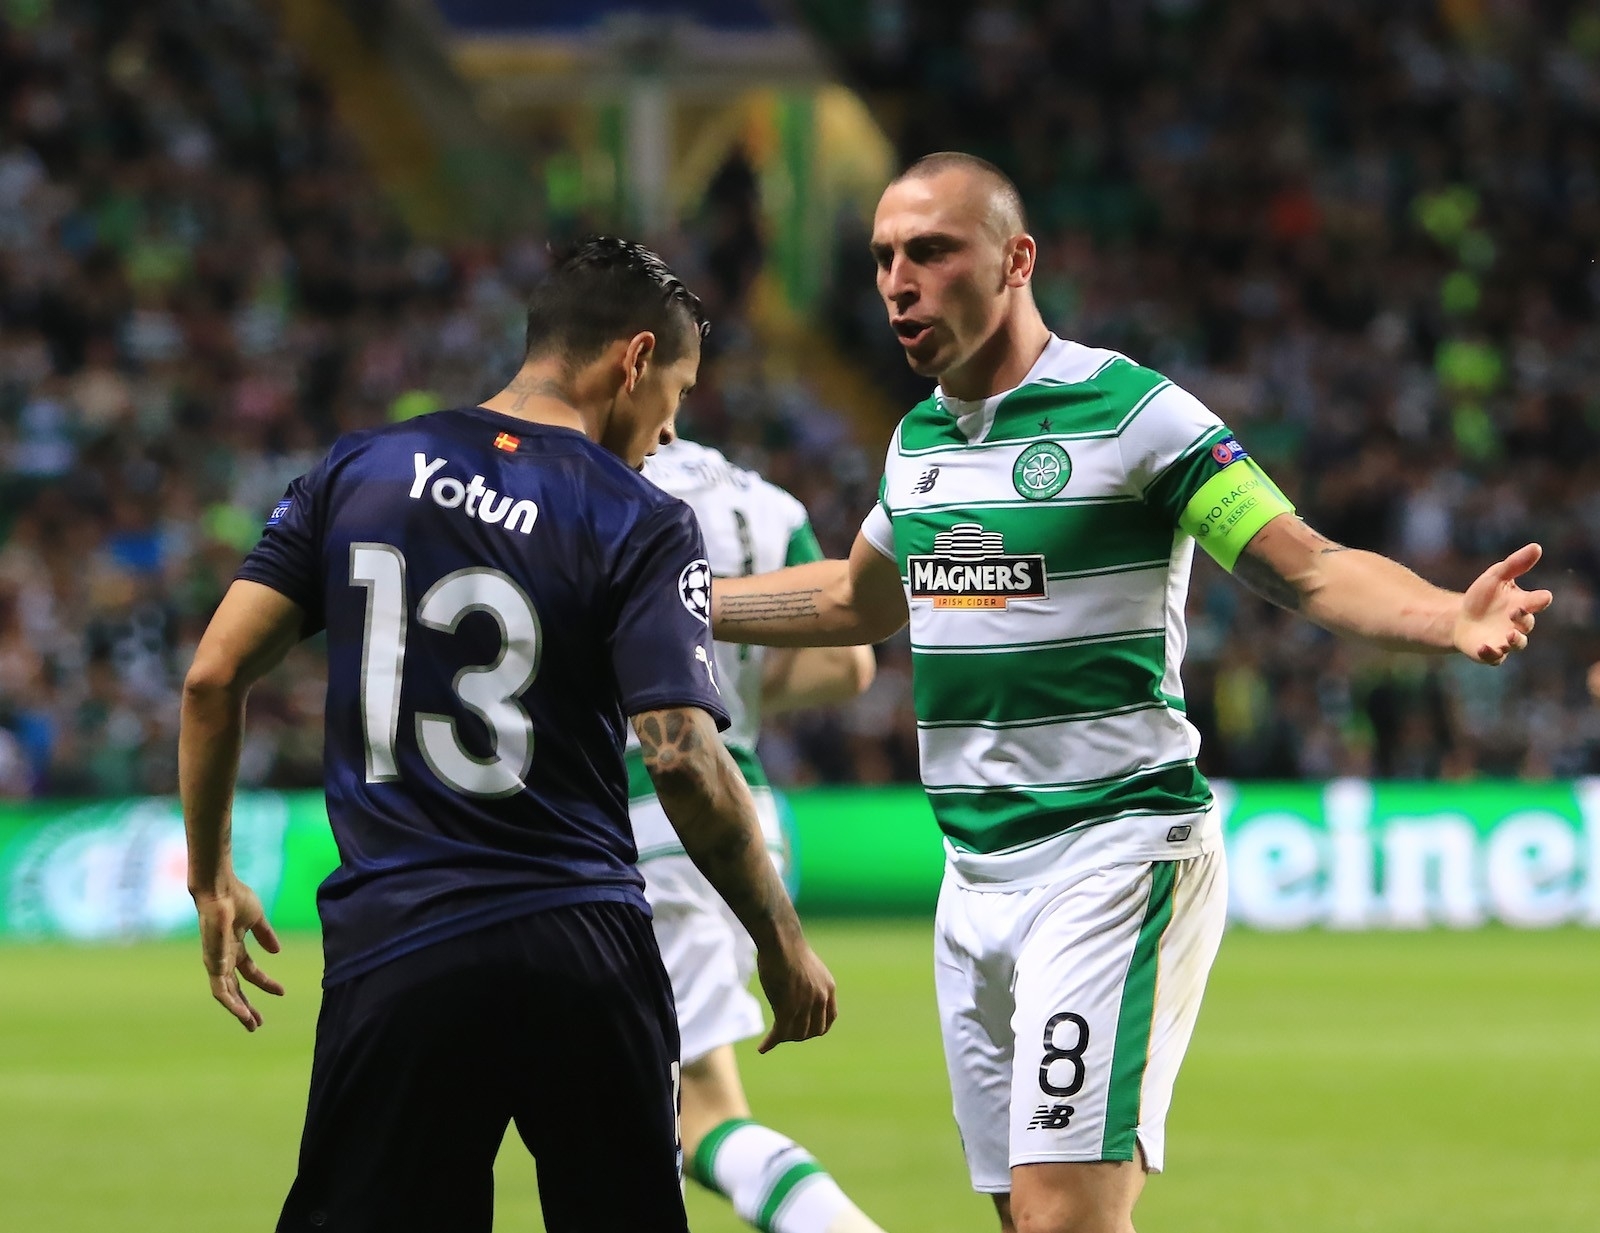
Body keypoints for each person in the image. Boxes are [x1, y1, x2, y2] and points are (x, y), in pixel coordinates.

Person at [709, 153, 1553, 1233]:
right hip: (973, 880)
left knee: (1066, 1217)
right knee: (1028, 1218)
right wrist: (672, 602)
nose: (896, 282)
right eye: (882, 258)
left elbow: (1303, 563)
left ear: (1015, 260)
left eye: (930, 251)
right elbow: (852, 601)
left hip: (1111, 853)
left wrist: (1449, 616)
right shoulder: (917, 441)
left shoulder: (1133, 413)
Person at [178, 236, 837, 1233]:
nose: (668, 432)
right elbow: (680, 754)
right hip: (582, 946)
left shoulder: (358, 470)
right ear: (633, 357)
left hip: (399, 944)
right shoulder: (640, 516)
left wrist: (210, 870)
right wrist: (780, 942)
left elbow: (212, 677)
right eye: (678, 389)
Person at [632, 436, 884, 1233]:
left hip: (650, 814)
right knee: (640, 1113)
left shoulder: (598, 481)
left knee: (690, 1117)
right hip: (750, 819)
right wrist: (726, 688)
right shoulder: (766, 497)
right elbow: (850, 665)